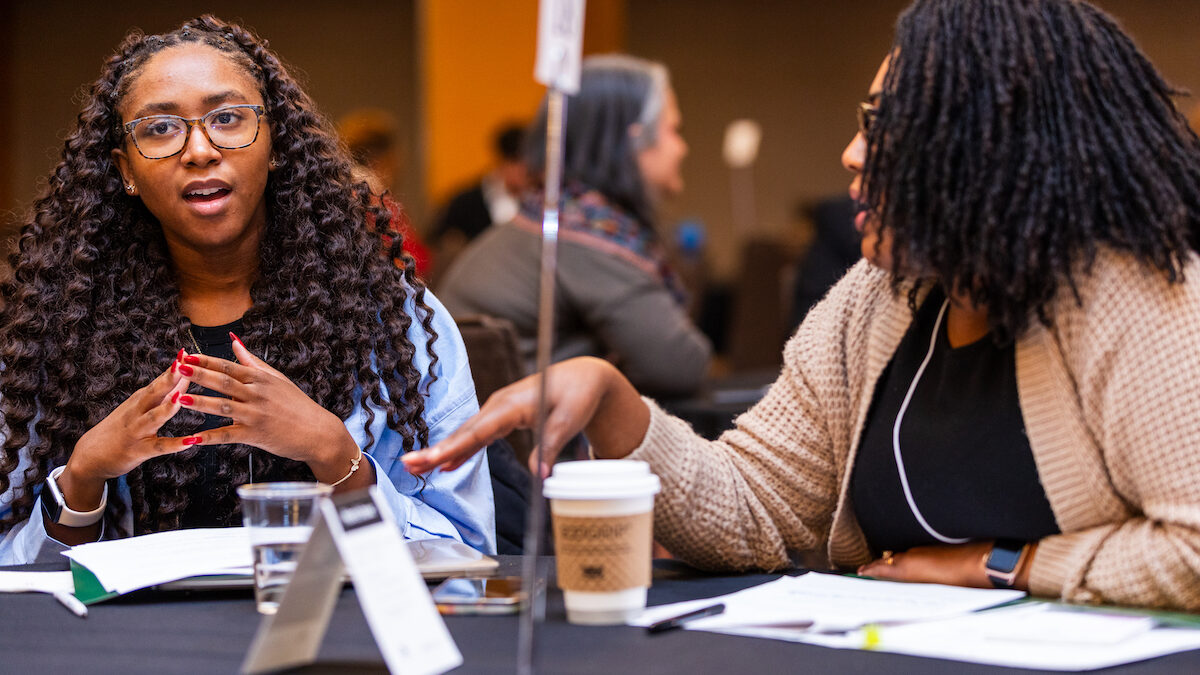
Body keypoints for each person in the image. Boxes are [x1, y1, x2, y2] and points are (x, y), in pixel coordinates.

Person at [405, 0, 1200, 611]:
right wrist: (615, 406)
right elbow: (757, 510)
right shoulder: (875, 300)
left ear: (989, 149)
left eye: (881, 128)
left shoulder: (1134, 297)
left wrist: (1006, 565)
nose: (852, 154)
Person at [0, 16, 494, 564]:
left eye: (229, 118)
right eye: (160, 128)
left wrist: (332, 452)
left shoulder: (392, 318)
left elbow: (464, 553)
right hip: (124, 644)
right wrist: (83, 476)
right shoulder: (58, 328)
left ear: (275, 142)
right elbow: (15, 579)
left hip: (326, 633)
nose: (200, 149)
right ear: (126, 171)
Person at [438, 55, 712, 398]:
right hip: (534, 448)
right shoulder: (589, 239)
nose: (682, 148)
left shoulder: (554, 222)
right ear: (634, 141)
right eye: (673, 130)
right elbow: (681, 366)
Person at [430, 121, 529, 283]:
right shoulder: (464, 203)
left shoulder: (540, 204)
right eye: (522, 164)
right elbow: (437, 247)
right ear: (506, 162)